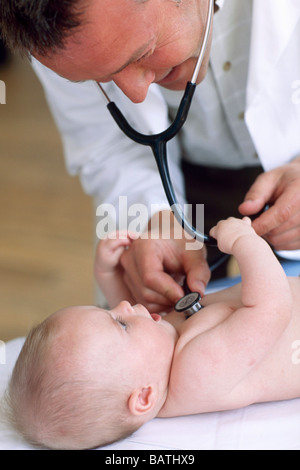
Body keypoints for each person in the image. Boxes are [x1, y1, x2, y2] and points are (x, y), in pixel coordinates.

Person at [1, 0, 300, 309]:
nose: (135, 94)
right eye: (102, 79)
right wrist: (152, 217)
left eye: (142, 53)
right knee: (155, 308)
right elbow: (104, 144)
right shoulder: (45, 24)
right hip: (177, 169)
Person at [5, 217, 300, 450]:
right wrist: (245, 242)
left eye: (107, 310)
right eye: (121, 323)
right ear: (144, 397)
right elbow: (272, 308)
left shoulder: (158, 351)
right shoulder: (199, 369)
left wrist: (108, 273)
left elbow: (137, 320)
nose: (123, 306)